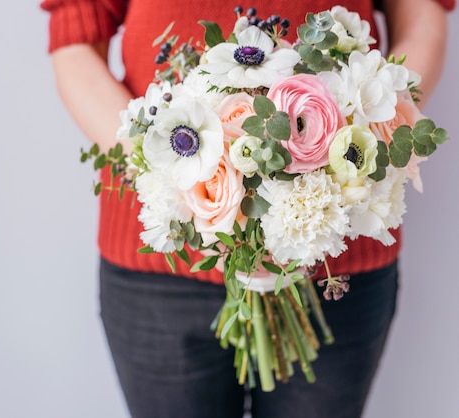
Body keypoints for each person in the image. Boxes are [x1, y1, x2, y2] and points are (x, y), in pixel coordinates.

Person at [41, 0, 454, 417]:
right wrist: (179, 180)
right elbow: (76, 37)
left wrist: (354, 156)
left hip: (340, 252)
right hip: (160, 268)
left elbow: (421, 16)